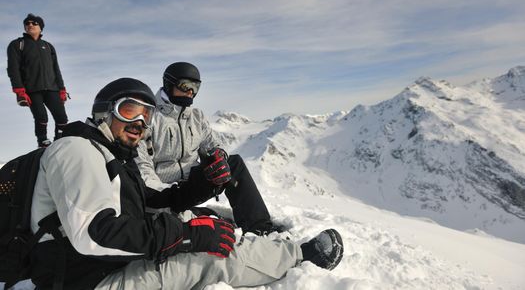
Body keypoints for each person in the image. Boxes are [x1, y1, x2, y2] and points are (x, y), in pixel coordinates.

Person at [29, 77, 344, 289]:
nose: (140, 123)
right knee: (211, 256)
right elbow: (93, 237)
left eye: (147, 116)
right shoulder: (77, 149)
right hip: (88, 279)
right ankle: (301, 255)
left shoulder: (108, 154)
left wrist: (203, 185)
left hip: (99, 267)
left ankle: (257, 234)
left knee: (197, 219)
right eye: (129, 111)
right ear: (103, 111)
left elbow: (150, 202)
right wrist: (186, 237)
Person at [136, 62, 280, 235]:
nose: (191, 91)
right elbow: (142, 168)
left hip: (191, 182)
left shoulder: (196, 117)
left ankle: (259, 227)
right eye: (186, 85)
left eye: (196, 87)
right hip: (165, 193)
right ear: (169, 83)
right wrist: (166, 195)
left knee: (234, 164)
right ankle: (181, 217)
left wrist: (218, 158)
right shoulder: (149, 118)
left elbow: (214, 144)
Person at [6, 13, 69, 148]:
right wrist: (18, 89)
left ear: (41, 27)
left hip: (52, 88)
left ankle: (60, 139)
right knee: (41, 117)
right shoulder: (18, 44)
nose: (30, 25)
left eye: (34, 23)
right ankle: (42, 141)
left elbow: (56, 69)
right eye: (27, 23)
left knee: (62, 118)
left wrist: (62, 88)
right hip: (32, 89)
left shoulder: (48, 46)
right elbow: (13, 68)